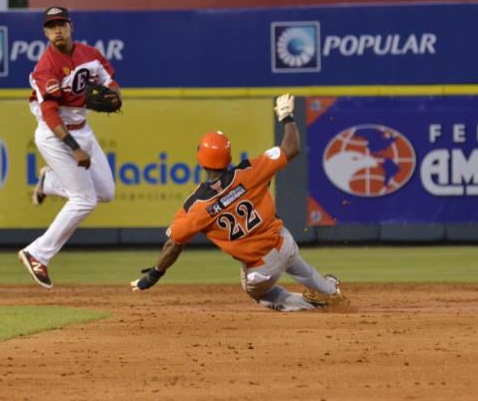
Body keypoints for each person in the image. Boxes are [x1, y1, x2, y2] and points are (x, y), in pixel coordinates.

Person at [130, 94, 345, 311]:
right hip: (284, 242)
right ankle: (328, 290)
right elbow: (292, 147)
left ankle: (311, 305)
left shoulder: (196, 207)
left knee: (260, 294)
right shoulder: (249, 171)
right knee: (295, 261)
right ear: (229, 158)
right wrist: (286, 115)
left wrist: (153, 275)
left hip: (261, 269)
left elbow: (173, 245)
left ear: (200, 161)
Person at [18, 6, 121, 289]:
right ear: (45, 32)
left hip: (82, 129)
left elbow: (110, 80)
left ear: (71, 26)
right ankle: (37, 254)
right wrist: (75, 148)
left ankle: (48, 182)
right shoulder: (46, 67)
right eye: (52, 26)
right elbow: (51, 115)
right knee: (84, 200)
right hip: (55, 136)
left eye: (61, 24)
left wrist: (116, 94)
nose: (57, 30)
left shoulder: (90, 54)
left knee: (106, 193)